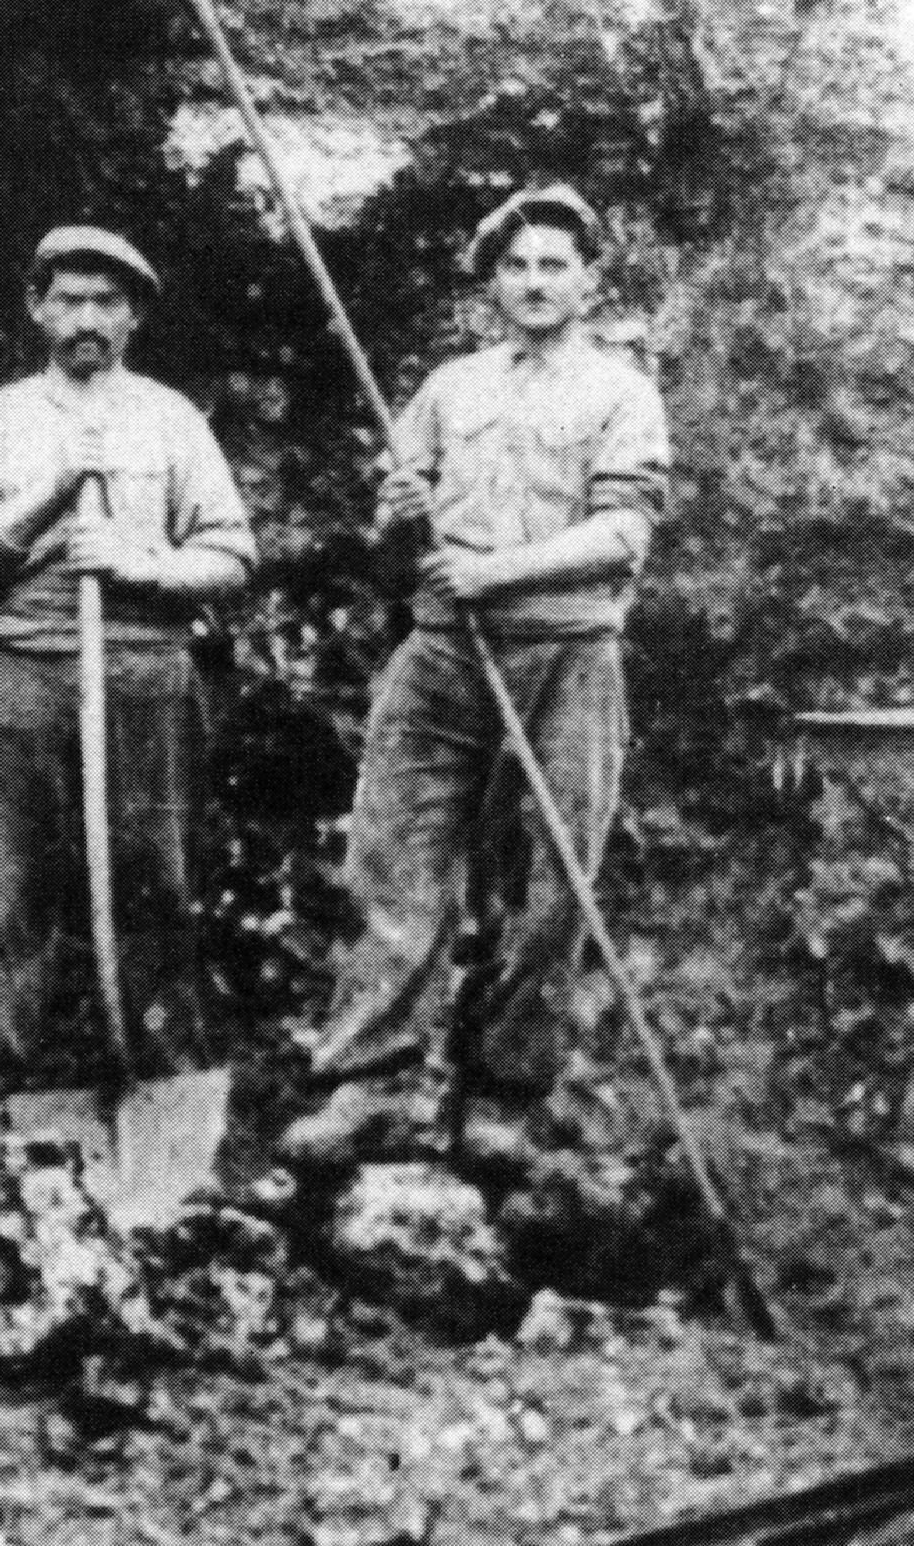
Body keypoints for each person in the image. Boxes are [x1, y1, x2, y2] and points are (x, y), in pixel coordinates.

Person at [280, 184, 672, 1171]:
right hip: (443, 651)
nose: (534, 282)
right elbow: (387, 535)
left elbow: (625, 531)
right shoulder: (450, 387)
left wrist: (495, 570)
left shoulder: (622, 393)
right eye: (516, 265)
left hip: (566, 654)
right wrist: (398, 512)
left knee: (553, 882)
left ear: (589, 279)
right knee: (395, 858)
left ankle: (504, 1089)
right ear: (492, 281)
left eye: (553, 264)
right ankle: (370, 1082)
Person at [0, 226, 255, 1096]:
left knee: (157, 876)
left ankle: (162, 1084)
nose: (85, 318)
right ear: (36, 308)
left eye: (106, 302)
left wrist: (144, 565)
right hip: (21, 663)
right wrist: (48, 495)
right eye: (67, 298)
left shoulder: (170, 419)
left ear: (134, 315)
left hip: (143, 665)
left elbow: (230, 555)